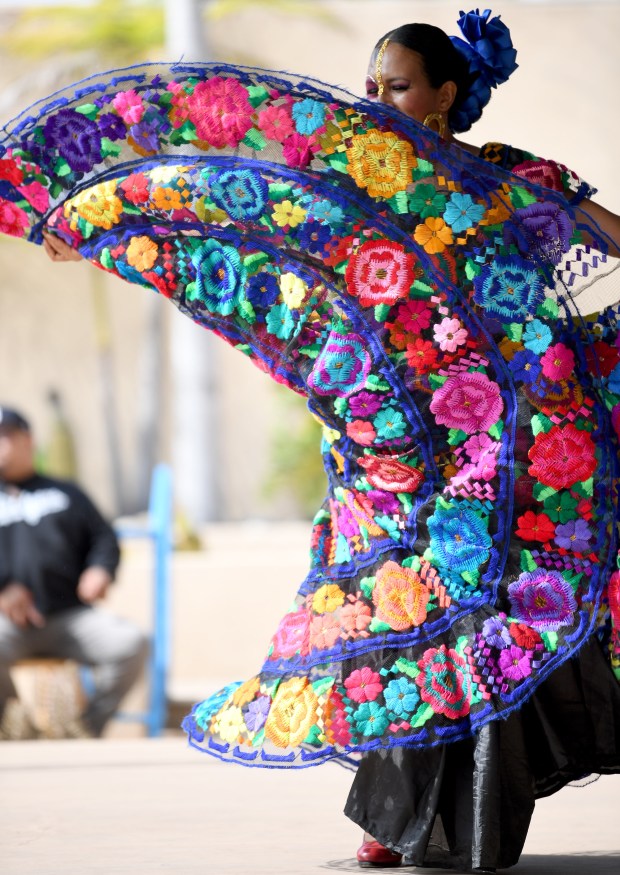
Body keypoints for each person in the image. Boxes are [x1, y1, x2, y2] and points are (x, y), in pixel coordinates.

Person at [2, 8, 620, 871]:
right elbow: (230, 205)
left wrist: (571, 352)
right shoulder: (349, 178)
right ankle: (396, 816)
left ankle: (434, 821)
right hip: (389, 461)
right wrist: (101, 222)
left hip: (495, 459)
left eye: (397, 85)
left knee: (466, 617)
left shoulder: (502, 183)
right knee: (394, 612)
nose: (378, 99)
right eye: (373, 85)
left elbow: (602, 243)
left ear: (446, 93)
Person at [0, 406, 148, 740]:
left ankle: (83, 726)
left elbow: (103, 537)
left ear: (28, 441)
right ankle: (11, 721)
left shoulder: (65, 493)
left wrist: (100, 569)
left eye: (6, 436)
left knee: (131, 643)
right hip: (7, 624)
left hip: (70, 617)